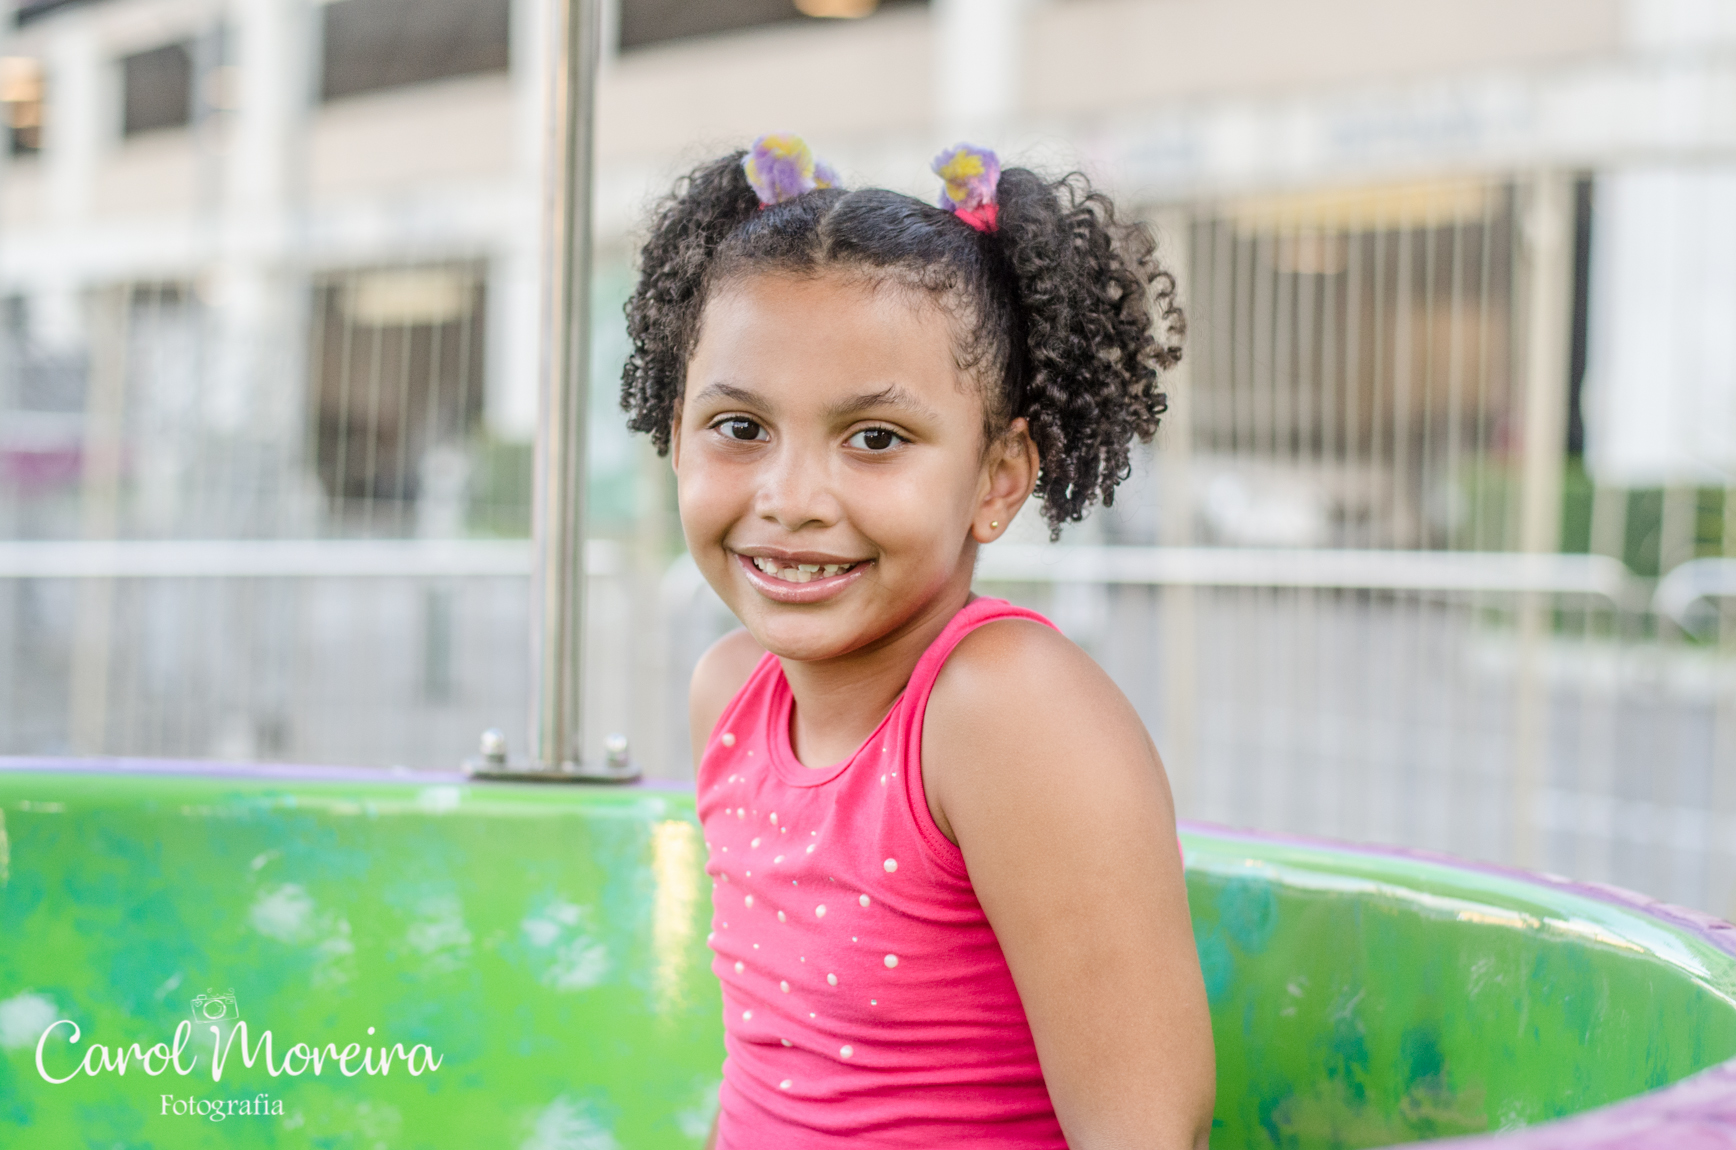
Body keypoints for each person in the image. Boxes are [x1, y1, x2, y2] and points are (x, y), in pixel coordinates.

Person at [620, 134, 1215, 1150]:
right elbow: (774, 1076)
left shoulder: (1006, 712)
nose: (791, 500)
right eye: (740, 428)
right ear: (677, 437)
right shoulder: (727, 692)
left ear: (997, 478)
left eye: (875, 439)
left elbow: (1148, 1134)